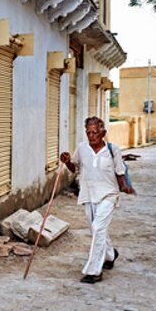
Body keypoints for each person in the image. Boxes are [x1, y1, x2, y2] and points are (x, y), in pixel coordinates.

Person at [59, 117, 136, 284]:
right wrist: (66, 161)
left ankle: (94, 270)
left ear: (103, 133)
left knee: (98, 227)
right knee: (97, 230)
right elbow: (75, 167)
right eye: (88, 132)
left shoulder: (112, 150)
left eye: (95, 132)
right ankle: (110, 254)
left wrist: (125, 187)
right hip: (88, 194)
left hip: (108, 195)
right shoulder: (82, 148)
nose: (91, 135)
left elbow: (120, 172)